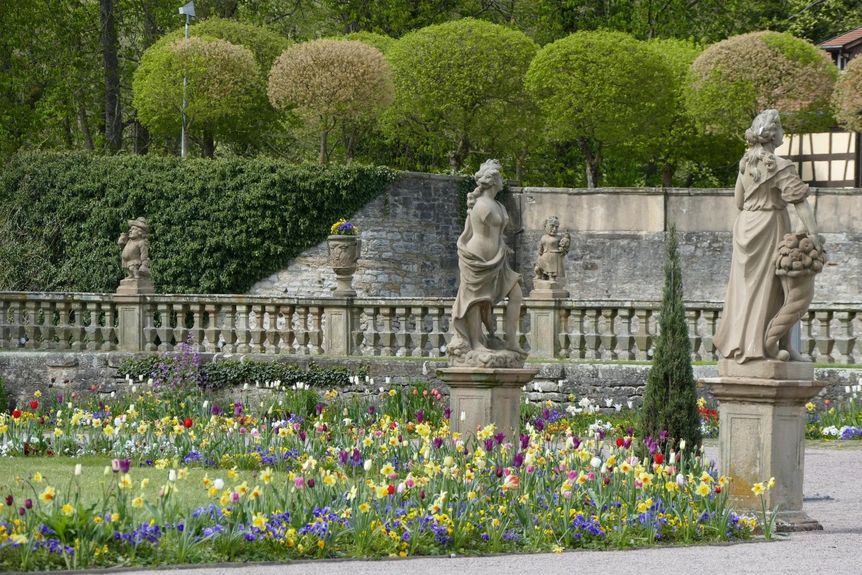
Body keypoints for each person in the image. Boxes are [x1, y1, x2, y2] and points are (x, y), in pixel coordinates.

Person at [714, 109, 820, 363]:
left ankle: (741, 345)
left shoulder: (745, 163)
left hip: (746, 226)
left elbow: (739, 201)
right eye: (781, 128)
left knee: (744, 289)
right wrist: (813, 234)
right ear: (773, 135)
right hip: (770, 224)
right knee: (775, 288)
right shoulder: (780, 166)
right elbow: (800, 203)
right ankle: (768, 346)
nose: (784, 132)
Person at [450, 159, 524, 356]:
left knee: (516, 293)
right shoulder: (480, 205)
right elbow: (472, 230)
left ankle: (511, 340)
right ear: (492, 180)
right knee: (476, 299)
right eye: (499, 176)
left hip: (498, 257)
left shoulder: (498, 204)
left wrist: (504, 247)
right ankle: (475, 342)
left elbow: (497, 232)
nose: (503, 180)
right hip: (478, 256)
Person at [534, 216, 570, 281]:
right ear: (546, 226)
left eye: (556, 227)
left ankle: (551, 280)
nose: (554, 229)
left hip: (553, 259)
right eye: (552, 226)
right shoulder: (543, 237)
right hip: (543, 258)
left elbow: (564, 247)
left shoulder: (559, 238)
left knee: (551, 278)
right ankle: (540, 276)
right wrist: (539, 255)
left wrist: (566, 242)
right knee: (537, 269)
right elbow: (540, 248)